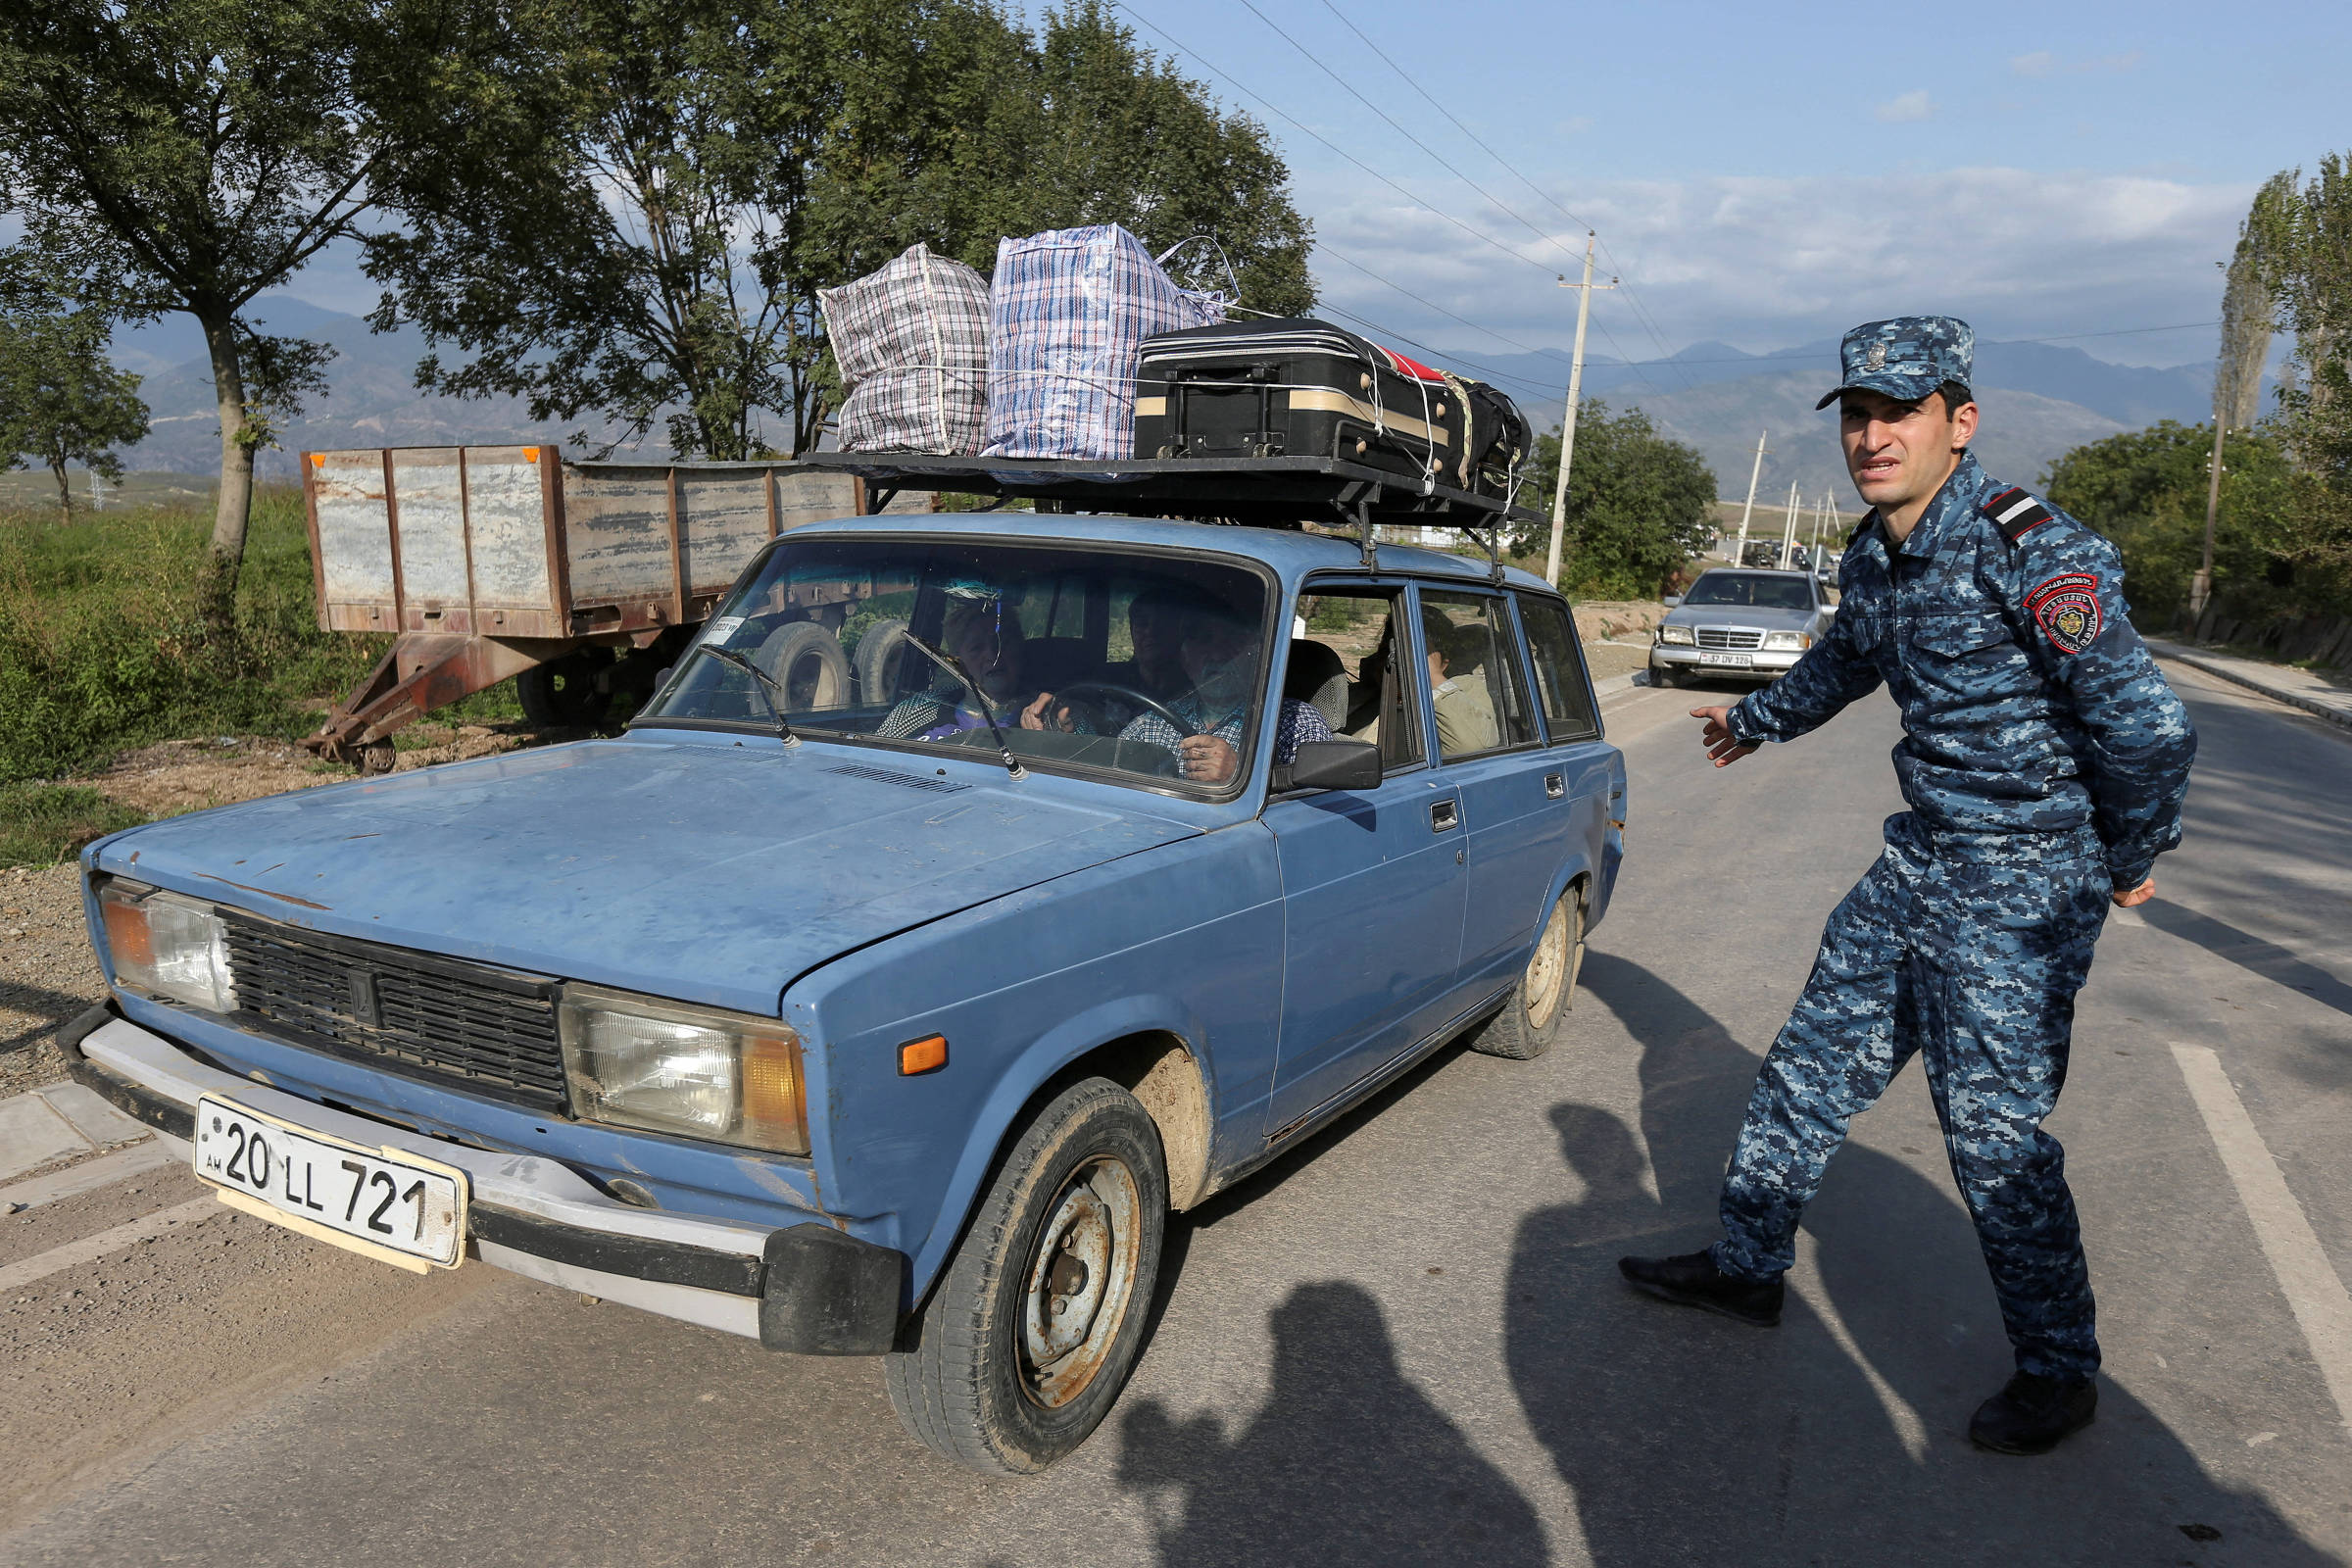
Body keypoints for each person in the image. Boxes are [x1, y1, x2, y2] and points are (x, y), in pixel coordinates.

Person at [1618, 317, 2196, 1456]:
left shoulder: (2031, 548)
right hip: (1922, 859)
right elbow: (1847, 660)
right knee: (1807, 1065)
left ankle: (2058, 1368)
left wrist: (2129, 858)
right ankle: (1746, 1266)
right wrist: (1755, 721)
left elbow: (2150, 730)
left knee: (1993, 1137)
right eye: (1858, 414)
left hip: (2025, 885)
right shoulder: (1872, 555)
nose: (1874, 435)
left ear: (1958, 421)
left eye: (1901, 412)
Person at [1024, 585, 1331, 785]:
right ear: (1183, 656)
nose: (1216, 655)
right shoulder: (1152, 724)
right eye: (1201, 640)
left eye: (1232, 642)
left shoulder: (1293, 721)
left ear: (1255, 653)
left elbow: (1322, 803)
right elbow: (1106, 768)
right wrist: (1059, 732)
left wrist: (1245, 774)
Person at [876, 578, 1039, 740]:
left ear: (1019, 649)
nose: (992, 656)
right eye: (976, 648)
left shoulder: (1042, 717)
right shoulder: (917, 710)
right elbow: (875, 757)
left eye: (1003, 643)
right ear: (956, 661)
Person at [1422, 615, 1499, 756]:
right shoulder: (1377, 693)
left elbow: (1478, 745)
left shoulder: (1467, 688)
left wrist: (1433, 675)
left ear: (1443, 664)